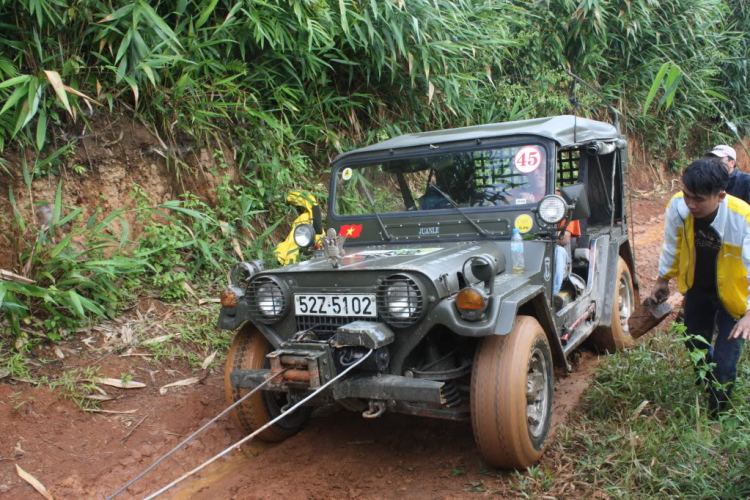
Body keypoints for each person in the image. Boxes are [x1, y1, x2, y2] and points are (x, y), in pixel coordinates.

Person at [651, 157, 750, 416]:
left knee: (725, 362)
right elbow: (672, 243)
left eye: (698, 199)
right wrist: (664, 278)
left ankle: (718, 416)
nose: (691, 204)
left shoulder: (743, 218)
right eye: (687, 196)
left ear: (720, 196)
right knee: (694, 343)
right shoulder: (678, 206)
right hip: (697, 287)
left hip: (735, 294)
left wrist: (749, 314)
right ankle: (707, 386)